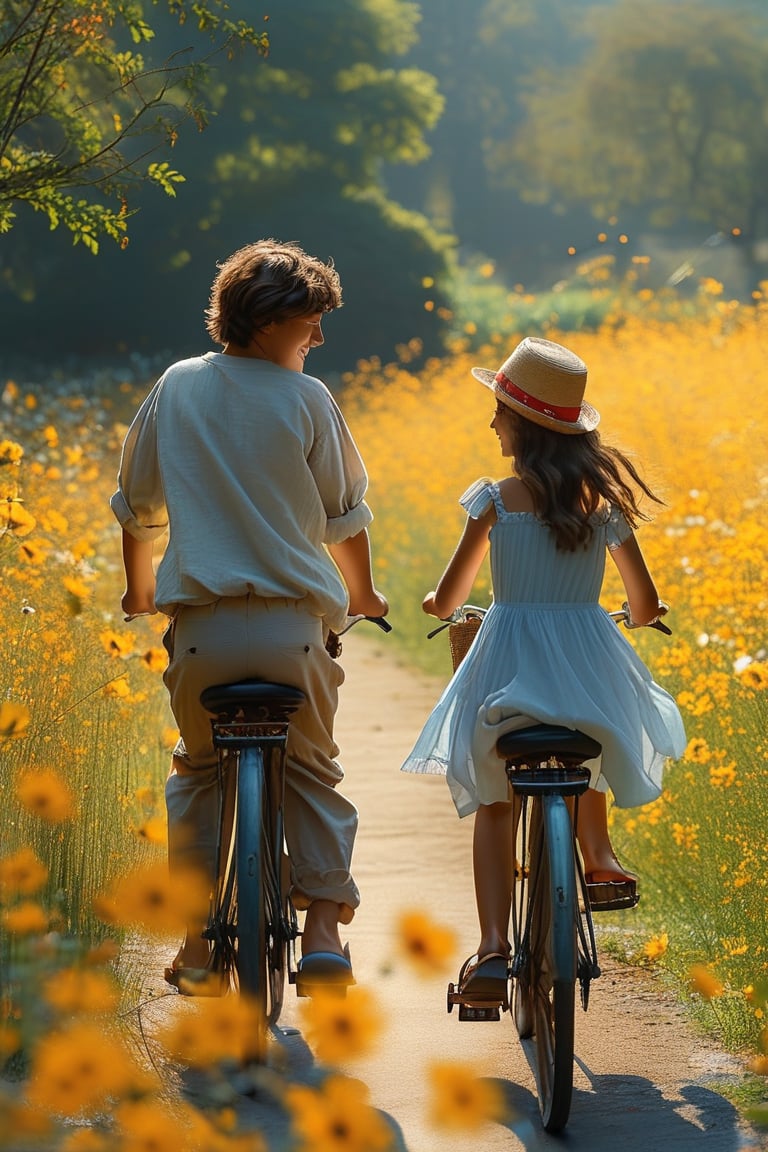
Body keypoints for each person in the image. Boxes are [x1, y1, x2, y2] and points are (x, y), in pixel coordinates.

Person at [111, 238, 388, 995]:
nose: (319, 338)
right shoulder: (309, 400)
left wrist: (140, 593)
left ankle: (200, 940)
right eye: (311, 323)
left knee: (198, 774)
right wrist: (361, 595)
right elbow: (344, 516)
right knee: (313, 771)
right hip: (293, 632)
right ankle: (325, 928)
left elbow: (138, 510)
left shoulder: (176, 387)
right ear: (269, 321)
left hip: (203, 637)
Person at [401, 335, 686, 998]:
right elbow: (641, 604)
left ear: (522, 425)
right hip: (587, 671)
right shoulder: (603, 506)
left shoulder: (496, 499)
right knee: (584, 732)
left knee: (496, 797)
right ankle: (600, 856)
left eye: (498, 410)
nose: (492, 421)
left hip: (507, 670)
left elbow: (447, 598)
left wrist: (436, 602)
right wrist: (643, 613)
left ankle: (495, 949)